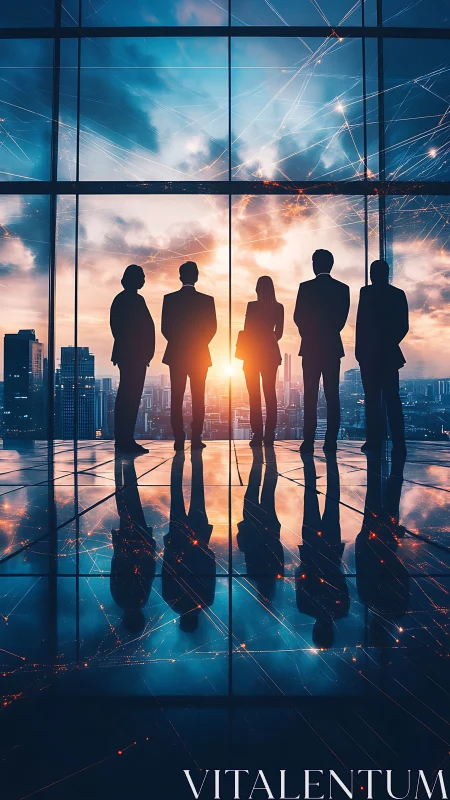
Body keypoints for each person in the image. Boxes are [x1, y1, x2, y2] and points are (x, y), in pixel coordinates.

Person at [294, 250, 350, 455]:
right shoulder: (342, 289)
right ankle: (331, 441)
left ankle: (308, 440)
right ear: (331, 265)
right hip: (332, 347)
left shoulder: (305, 288)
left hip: (310, 347)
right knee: (332, 395)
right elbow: (341, 321)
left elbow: (297, 317)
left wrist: (308, 335)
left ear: (315, 265)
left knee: (310, 395)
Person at [161, 261, 217, 451]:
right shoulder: (207, 300)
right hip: (199, 355)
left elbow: (165, 329)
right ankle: (195, 438)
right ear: (197, 277)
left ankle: (179, 439)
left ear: (180, 277)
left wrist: (179, 343)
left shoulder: (169, 299)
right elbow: (212, 328)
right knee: (198, 397)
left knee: (176, 397)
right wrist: (198, 344)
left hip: (176, 355)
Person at [295, 452, 349, 650]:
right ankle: (310, 466)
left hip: (331, 551)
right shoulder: (304, 608)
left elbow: (341, 582)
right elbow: (300, 578)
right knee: (310, 502)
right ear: (315, 630)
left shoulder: (342, 609)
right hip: (311, 550)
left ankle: (331, 466)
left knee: (332, 504)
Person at [356, 259, 409, 457]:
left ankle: (373, 441)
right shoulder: (398, 294)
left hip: (368, 355)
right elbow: (403, 326)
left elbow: (360, 324)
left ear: (372, 274)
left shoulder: (366, 292)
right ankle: (399, 443)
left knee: (372, 401)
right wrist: (389, 342)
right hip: (388, 355)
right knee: (392, 399)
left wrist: (360, 351)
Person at [162, 450, 216, 632]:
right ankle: (178, 460)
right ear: (180, 621)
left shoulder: (206, 601)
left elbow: (210, 572)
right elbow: (166, 570)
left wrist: (207, 552)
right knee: (176, 495)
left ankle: (195, 459)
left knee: (198, 494)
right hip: (177, 541)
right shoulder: (171, 601)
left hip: (198, 540)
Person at [110, 264, 155, 454]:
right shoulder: (132, 300)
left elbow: (117, 328)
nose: (144, 280)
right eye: (142, 277)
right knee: (130, 398)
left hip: (132, 356)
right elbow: (127, 329)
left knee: (128, 398)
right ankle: (125, 440)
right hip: (134, 357)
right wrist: (140, 352)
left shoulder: (123, 299)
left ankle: (124, 439)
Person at [110, 456, 156, 632]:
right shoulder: (119, 600)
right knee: (124, 505)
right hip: (126, 545)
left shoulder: (141, 600)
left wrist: (149, 547)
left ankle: (126, 466)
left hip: (137, 544)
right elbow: (115, 571)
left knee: (133, 503)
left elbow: (147, 572)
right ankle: (121, 467)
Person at [237, 445, 284, 600]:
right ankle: (258, 458)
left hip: (268, 526)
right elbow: (246, 548)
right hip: (252, 525)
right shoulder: (253, 574)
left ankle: (270, 458)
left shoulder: (277, 572)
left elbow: (277, 548)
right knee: (253, 487)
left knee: (268, 489)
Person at [241, 276, 284, 447]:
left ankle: (257, 434)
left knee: (254, 396)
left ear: (258, 289)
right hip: (270, 355)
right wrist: (269, 338)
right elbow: (279, 333)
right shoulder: (278, 307)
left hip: (252, 355)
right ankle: (269, 435)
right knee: (270, 394)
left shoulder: (252, 306)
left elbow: (246, 330)